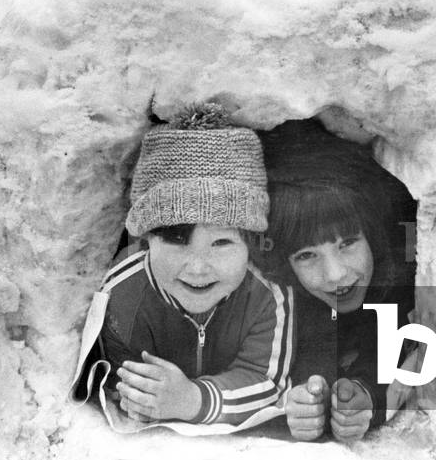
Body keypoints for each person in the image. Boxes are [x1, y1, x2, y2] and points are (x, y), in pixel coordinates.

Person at [72, 105, 294, 429]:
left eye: (222, 244)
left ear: (251, 245)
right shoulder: (122, 296)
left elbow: (268, 383)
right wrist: (141, 399)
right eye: (177, 242)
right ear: (147, 240)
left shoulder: (265, 296)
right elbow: (127, 384)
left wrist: (194, 401)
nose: (199, 268)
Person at [260, 119, 416, 442]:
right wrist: (303, 403)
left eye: (347, 243)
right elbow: (305, 346)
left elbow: (399, 343)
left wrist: (364, 397)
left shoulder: (397, 269)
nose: (335, 274)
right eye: (306, 255)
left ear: (371, 234)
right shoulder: (279, 292)